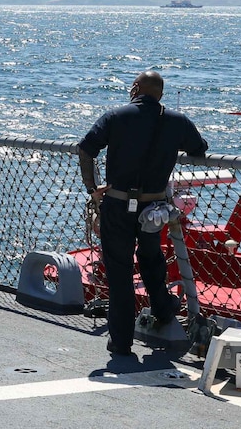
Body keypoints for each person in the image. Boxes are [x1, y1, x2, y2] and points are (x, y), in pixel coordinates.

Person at [77, 70, 207, 356]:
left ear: (135, 88)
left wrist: (92, 189)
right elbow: (200, 148)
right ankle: (163, 310)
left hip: (118, 203)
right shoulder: (176, 121)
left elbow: (86, 149)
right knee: (152, 260)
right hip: (155, 207)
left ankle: (121, 341)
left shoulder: (115, 116)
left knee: (119, 271)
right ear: (160, 94)